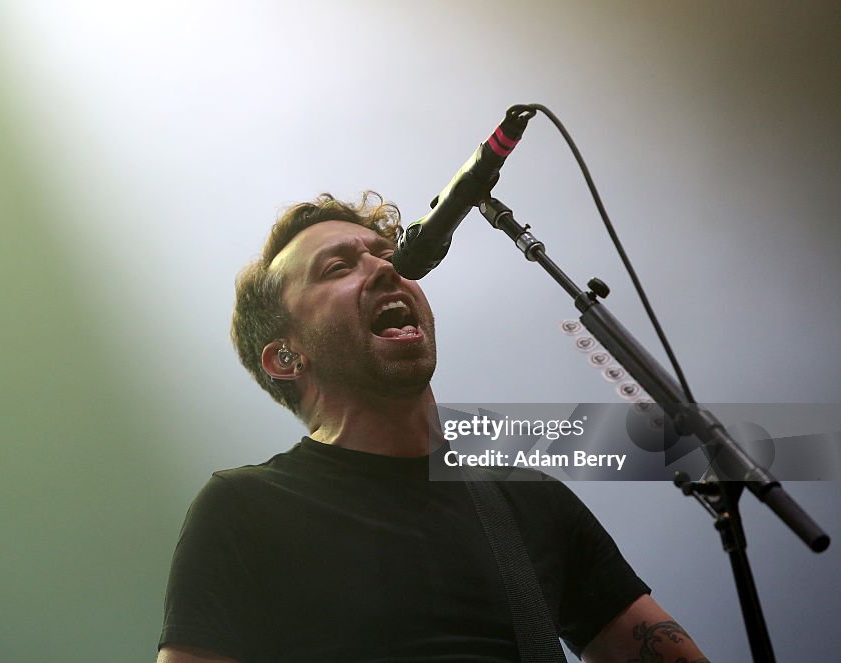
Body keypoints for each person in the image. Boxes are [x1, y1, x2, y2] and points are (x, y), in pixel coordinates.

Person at [156, 193, 708, 662]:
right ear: (286, 356)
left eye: (385, 255)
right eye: (338, 267)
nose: (387, 268)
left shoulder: (531, 502)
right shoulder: (245, 508)